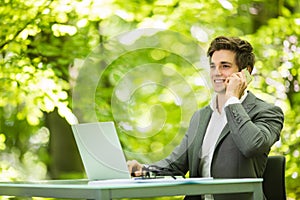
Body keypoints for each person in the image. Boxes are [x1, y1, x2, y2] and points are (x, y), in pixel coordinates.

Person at [127, 36, 284, 200]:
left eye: (225, 66)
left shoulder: (268, 112)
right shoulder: (201, 116)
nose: (217, 72)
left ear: (246, 72)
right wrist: (143, 169)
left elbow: (252, 145)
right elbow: (176, 165)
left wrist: (232, 100)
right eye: (213, 66)